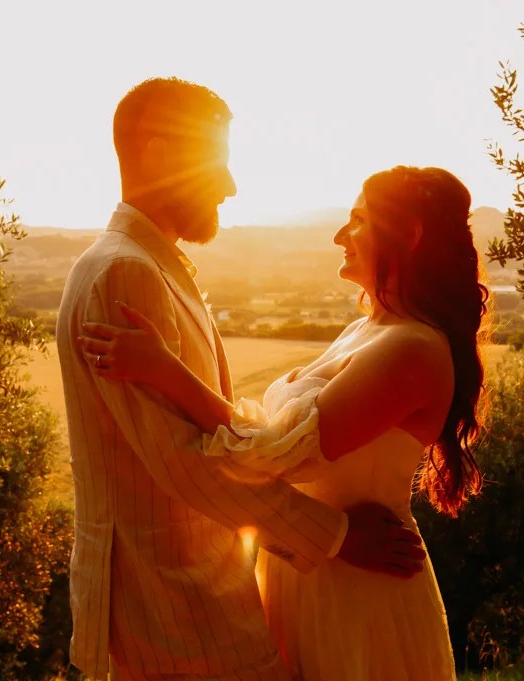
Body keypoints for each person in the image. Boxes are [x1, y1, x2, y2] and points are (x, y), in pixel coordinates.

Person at [55, 77, 425, 681]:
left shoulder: (144, 264)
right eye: (215, 162)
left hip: (190, 603)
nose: (230, 184)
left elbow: (207, 426)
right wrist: (334, 536)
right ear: (157, 154)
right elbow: (187, 461)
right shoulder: (125, 274)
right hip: (176, 610)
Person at [79, 164, 489, 680]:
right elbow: (271, 439)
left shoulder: (412, 349)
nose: (341, 235)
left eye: (358, 221)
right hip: (314, 574)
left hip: (359, 592)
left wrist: (166, 372)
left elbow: (274, 455)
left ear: (409, 235)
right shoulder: (367, 330)